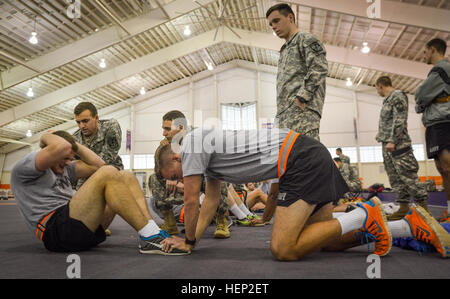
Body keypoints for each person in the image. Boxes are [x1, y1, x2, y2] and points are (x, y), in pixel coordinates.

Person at [155, 127, 450, 259]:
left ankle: (365, 213)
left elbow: (192, 200)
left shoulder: (191, 144)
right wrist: (193, 239)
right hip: (306, 154)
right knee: (323, 241)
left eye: (172, 177)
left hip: (299, 158)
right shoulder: (208, 158)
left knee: (284, 249)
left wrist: (188, 241)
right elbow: (209, 204)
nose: (175, 183)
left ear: (177, 160)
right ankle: (406, 226)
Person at [10, 130, 187, 255]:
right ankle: (149, 237)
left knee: (124, 175)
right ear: (48, 151)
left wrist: (75, 145)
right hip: (56, 231)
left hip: (80, 228)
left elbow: (99, 165)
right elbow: (63, 148)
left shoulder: (64, 168)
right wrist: (47, 136)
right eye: (64, 158)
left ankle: (151, 233)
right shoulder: (25, 167)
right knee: (108, 173)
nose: (66, 163)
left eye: (70, 159)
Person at [153, 110, 230, 238]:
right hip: (179, 184)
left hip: (201, 181)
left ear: (181, 127)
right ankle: (170, 222)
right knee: (154, 178)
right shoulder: (164, 145)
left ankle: (221, 220)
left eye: (167, 129)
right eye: (163, 129)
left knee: (217, 176)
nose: (164, 133)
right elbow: (159, 168)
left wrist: (186, 182)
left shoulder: (199, 137)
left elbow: (213, 165)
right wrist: (169, 178)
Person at [266, 3, 328, 141]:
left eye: (276, 21)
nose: (274, 27)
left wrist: (302, 97)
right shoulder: (285, 49)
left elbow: (319, 68)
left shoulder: (305, 39)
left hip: (302, 111)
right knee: (290, 158)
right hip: (285, 114)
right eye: (271, 24)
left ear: (290, 18)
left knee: (306, 155)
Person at [375, 76, 429, 220]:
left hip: (398, 144)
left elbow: (400, 119)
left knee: (408, 176)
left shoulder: (397, 96)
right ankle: (404, 208)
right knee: (396, 179)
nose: (377, 92)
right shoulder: (386, 100)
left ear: (380, 85)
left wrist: (393, 140)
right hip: (387, 145)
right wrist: (382, 136)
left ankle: (424, 211)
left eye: (377, 88)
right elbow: (389, 121)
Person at [72, 101, 124, 236]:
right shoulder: (75, 138)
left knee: (112, 195)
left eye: (85, 121)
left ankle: (100, 226)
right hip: (87, 174)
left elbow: (107, 159)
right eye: (78, 122)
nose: (81, 126)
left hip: (112, 169)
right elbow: (74, 167)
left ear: (96, 118)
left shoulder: (110, 127)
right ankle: (91, 225)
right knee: (78, 200)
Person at [415, 38, 450, 222]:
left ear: (433, 50)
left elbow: (420, 95)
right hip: (435, 123)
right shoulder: (437, 72)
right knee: (443, 168)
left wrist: (421, 101)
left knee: (447, 165)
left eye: (425, 51)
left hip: (443, 121)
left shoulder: (440, 69)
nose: (424, 55)